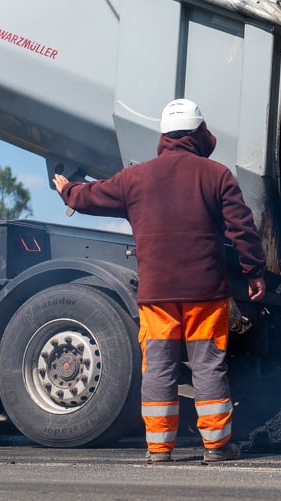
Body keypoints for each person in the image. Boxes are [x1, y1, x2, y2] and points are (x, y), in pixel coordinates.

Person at [52, 98, 266, 464]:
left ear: (163, 136)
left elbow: (91, 196)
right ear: (199, 133)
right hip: (205, 293)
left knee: (159, 367)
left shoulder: (136, 177)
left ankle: (159, 449)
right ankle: (216, 446)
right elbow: (242, 228)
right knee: (208, 366)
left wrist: (66, 189)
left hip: (157, 296)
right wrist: (254, 272)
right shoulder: (216, 175)